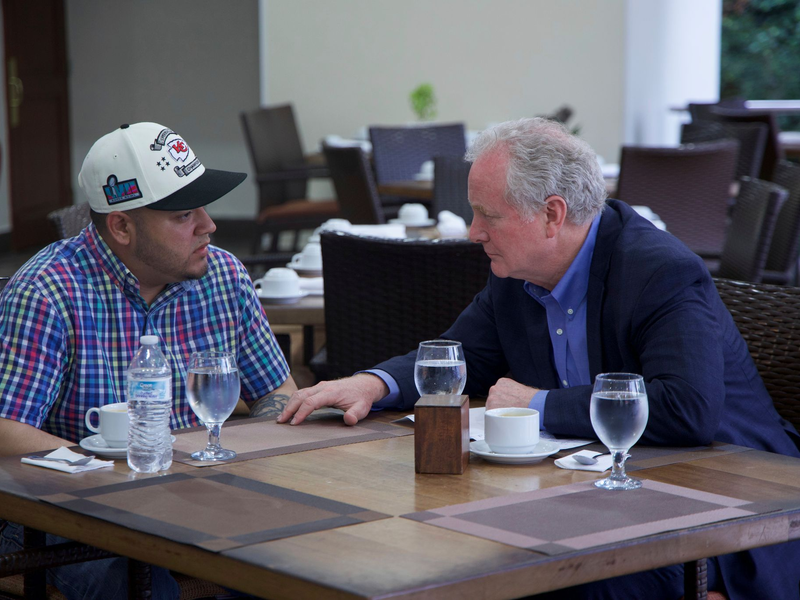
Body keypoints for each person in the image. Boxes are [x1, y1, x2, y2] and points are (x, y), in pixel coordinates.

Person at [279, 118, 800, 599]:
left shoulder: (658, 271)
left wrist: (539, 405)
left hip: (727, 511)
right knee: (441, 547)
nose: (472, 231)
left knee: (548, 581)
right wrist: (373, 384)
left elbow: (686, 408)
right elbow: (459, 356)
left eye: (488, 215)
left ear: (552, 214)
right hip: (598, 497)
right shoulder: (518, 274)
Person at [0, 122, 296, 600]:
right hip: (72, 513)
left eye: (205, 208)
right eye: (184, 215)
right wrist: (109, 472)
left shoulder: (224, 276)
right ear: (121, 226)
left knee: (297, 561)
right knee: (139, 585)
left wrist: (253, 456)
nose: (209, 226)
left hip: (201, 495)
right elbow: (6, 429)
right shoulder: (47, 291)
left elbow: (278, 392)